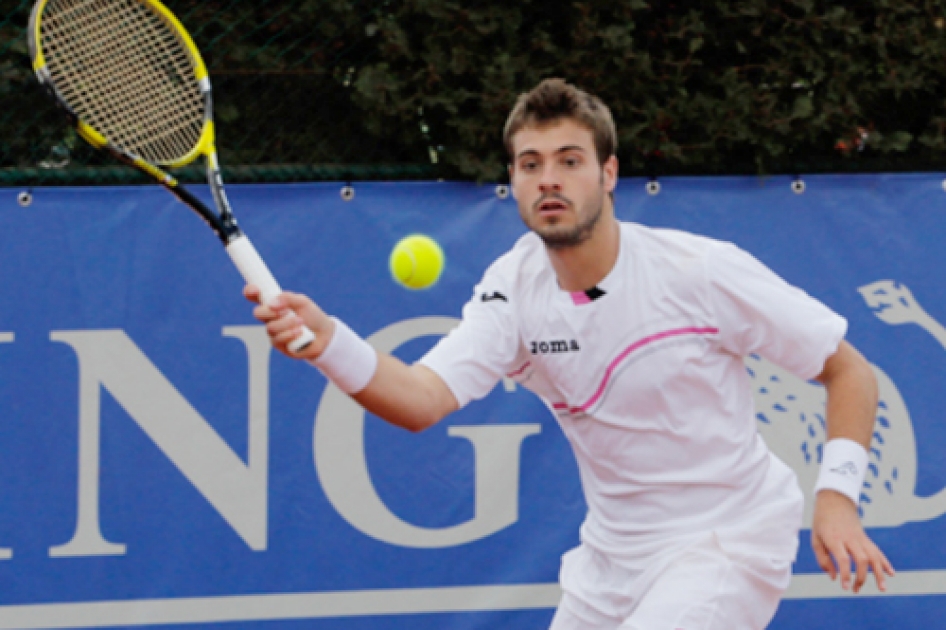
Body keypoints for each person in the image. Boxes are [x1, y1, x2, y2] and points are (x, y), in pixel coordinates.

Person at [246, 78, 894, 629]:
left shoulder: (699, 273)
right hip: (610, 559)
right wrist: (330, 342)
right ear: (514, 179)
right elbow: (421, 399)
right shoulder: (513, 290)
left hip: (728, 537)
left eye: (569, 160)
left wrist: (836, 499)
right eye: (530, 164)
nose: (549, 179)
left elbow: (847, 369)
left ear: (609, 173)